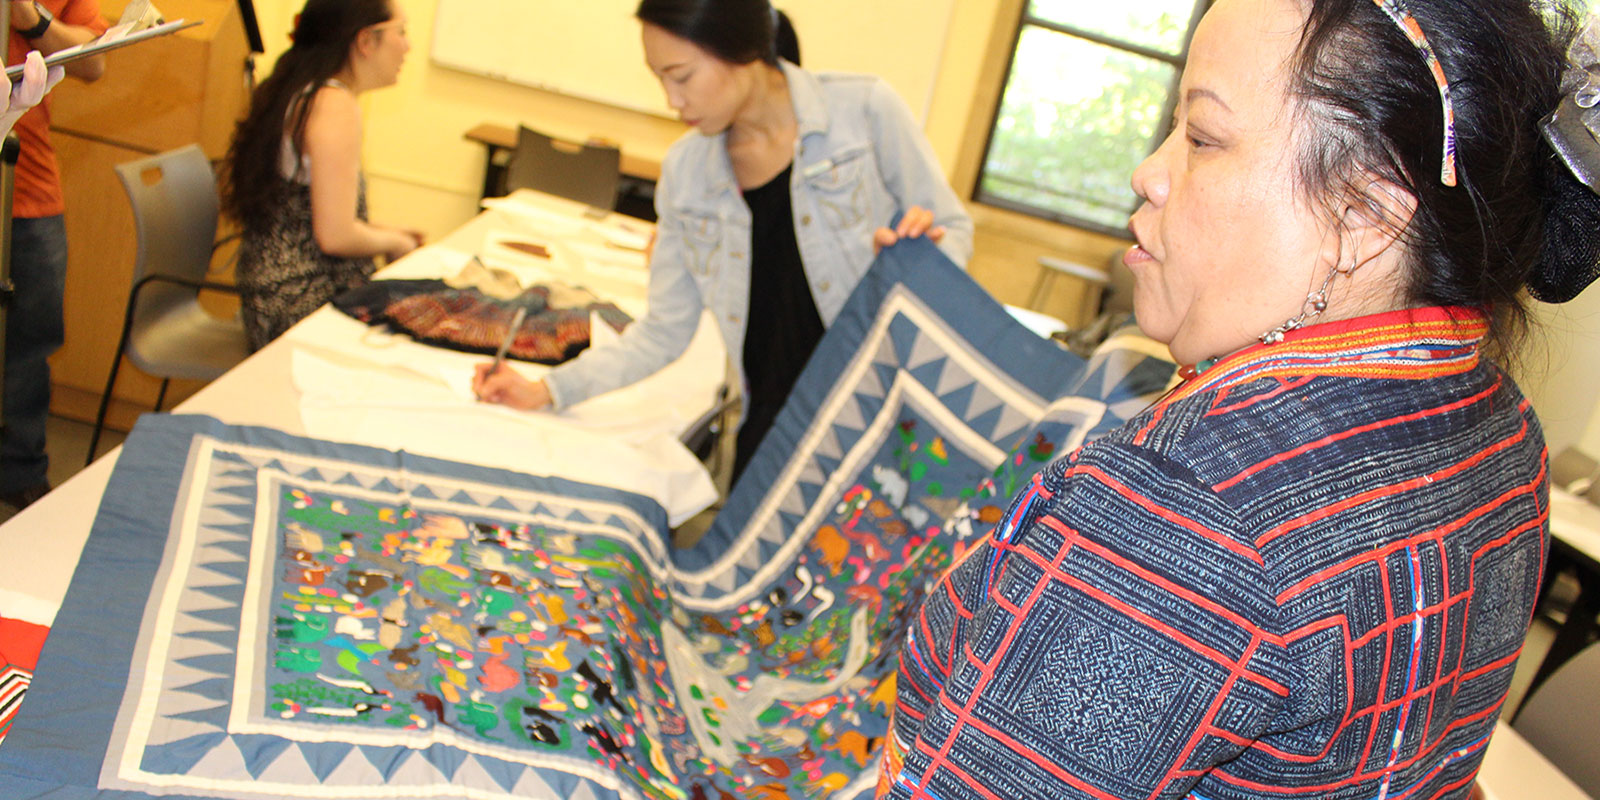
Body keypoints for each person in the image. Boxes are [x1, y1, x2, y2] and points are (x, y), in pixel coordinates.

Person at [879, 0, 1600, 798]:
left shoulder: (1186, 512)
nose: (1147, 172)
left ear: (1361, 215)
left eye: (1202, 138)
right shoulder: (1496, 422)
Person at [472, 0, 973, 482]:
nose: (672, 100)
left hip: (883, 423)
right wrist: (547, 390)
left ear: (741, 48)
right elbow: (664, 331)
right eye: (659, 79)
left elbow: (952, 229)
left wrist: (919, 261)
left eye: (682, 76)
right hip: (776, 434)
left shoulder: (863, 112)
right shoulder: (688, 173)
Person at [223, 0, 420, 352]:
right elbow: (335, 236)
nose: (407, 46)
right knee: (426, 330)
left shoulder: (312, 90)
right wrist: (395, 243)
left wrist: (386, 231)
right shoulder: (334, 105)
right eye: (401, 32)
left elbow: (311, 217)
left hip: (277, 288)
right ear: (365, 41)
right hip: (297, 299)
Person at [2, 0, 104, 511]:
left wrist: (32, 19)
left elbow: (94, 61)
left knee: (31, 341)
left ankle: (20, 472)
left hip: (28, 182)